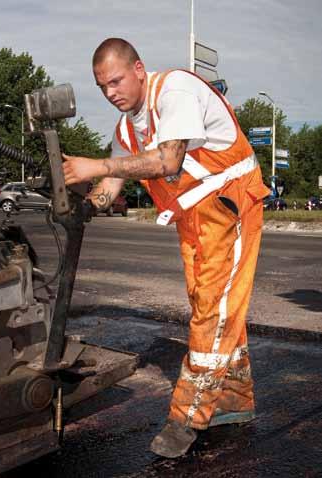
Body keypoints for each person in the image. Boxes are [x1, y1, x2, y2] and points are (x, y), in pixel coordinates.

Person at [62, 38, 270, 458]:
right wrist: (85, 205)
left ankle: (186, 418)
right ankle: (232, 399)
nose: (111, 92)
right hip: (194, 220)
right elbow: (112, 185)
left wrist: (97, 165)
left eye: (116, 80)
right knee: (213, 306)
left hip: (231, 205)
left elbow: (167, 162)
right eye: (102, 86)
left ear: (139, 69)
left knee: (213, 311)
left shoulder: (174, 90)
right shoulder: (125, 128)